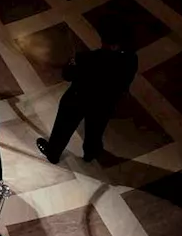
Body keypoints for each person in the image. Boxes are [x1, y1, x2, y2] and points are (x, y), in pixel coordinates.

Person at [37, 26, 138, 164]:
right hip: (105, 102)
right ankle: (91, 152)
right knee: (96, 129)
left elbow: (68, 75)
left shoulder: (87, 58)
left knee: (63, 127)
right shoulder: (131, 60)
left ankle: (53, 152)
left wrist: (71, 63)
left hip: (78, 99)